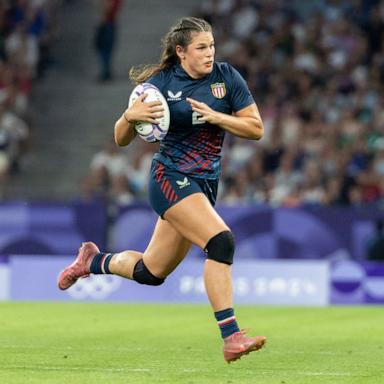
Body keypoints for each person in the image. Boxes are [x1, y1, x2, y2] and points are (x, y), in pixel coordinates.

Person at [59, 17, 266, 363]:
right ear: (181, 52)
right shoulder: (160, 85)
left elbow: (255, 128)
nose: (210, 53)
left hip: (203, 184)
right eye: (201, 47)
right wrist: (129, 116)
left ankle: (93, 261)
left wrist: (219, 118)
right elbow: (120, 138)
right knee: (221, 242)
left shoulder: (227, 78)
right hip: (170, 178)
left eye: (212, 45)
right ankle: (232, 337)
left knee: (151, 272)